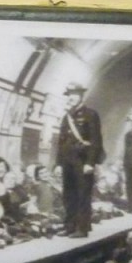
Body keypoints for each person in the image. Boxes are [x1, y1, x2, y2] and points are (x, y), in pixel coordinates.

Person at [55, 81, 104, 237]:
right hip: (68, 161)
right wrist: (58, 163)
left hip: (83, 161)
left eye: (74, 95)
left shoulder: (91, 114)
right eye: (69, 95)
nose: (71, 98)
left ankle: (82, 228)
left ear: (81, 96)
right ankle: (69, 225)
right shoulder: (66, 117)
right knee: (68, 194)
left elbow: (96, 140)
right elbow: (61, 142)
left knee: (83, 195)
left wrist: (90, 162)